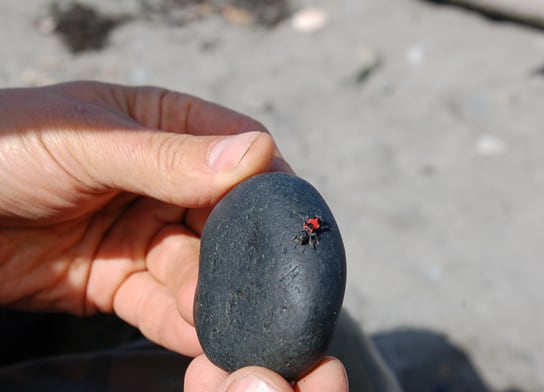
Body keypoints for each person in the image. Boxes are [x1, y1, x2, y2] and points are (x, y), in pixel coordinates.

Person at [0, 81, 349, 392]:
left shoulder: (303, 227)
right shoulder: (301, 229)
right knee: (347, 350)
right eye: (308, 230)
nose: (308, 231)